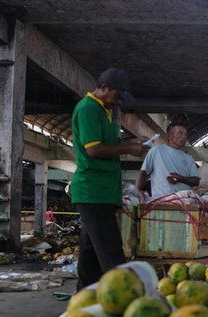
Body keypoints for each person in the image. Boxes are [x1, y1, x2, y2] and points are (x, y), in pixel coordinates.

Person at [70, 67, 149, 290]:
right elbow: (93, 149)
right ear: (104, 88)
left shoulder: (103, 110)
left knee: (90, 254)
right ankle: (123, 301)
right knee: (111, 255)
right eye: (117, 96)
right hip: (93, 192)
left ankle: (83, 300)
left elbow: (109, 144)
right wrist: (129, 149)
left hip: (102, 191)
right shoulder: (88, 109)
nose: (119, 102)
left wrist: (133, 142)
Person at [136, 123, 200, 197]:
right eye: (180, 133)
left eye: (185, 134)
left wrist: (181, 179)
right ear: (170, 136)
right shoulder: (156, 151)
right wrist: (137, 191)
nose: (184, 137)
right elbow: (144, 172)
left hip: (185, 201)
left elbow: (196, 181)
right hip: (161, 201)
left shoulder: (189, 158)